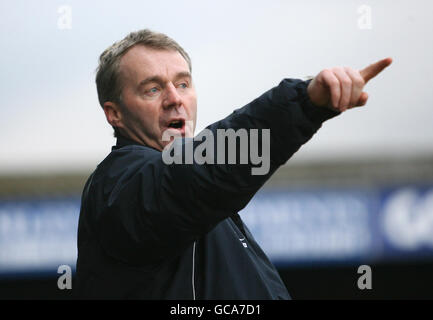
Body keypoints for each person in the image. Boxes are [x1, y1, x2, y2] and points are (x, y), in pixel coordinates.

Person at [75, 29, 392, 299]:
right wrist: (303, 103)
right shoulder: (119, 184)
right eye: (153, 89)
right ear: (114, 113)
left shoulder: (209, 206)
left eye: (183, 84)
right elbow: (204, 172)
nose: (175, 99)